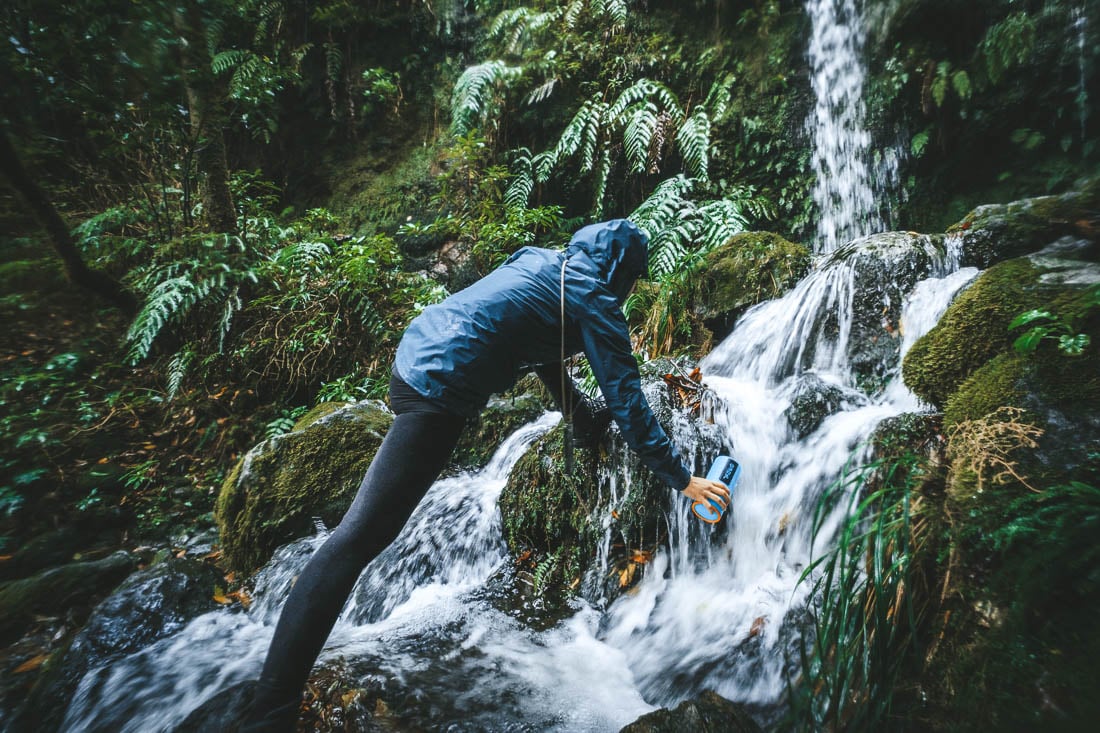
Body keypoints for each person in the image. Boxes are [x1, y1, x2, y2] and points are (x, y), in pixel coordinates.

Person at [242, 219, 730, 731]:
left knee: (360, 536)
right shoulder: (596, 297)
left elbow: (538, 351)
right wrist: (684, 480)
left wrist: (582, 420)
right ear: (621, 274)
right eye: (630, 283)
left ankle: (269, 701)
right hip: (442, 382)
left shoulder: (544, 264)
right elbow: (628, 400)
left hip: (420, 353)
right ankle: (268, 714)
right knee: (357, 540)